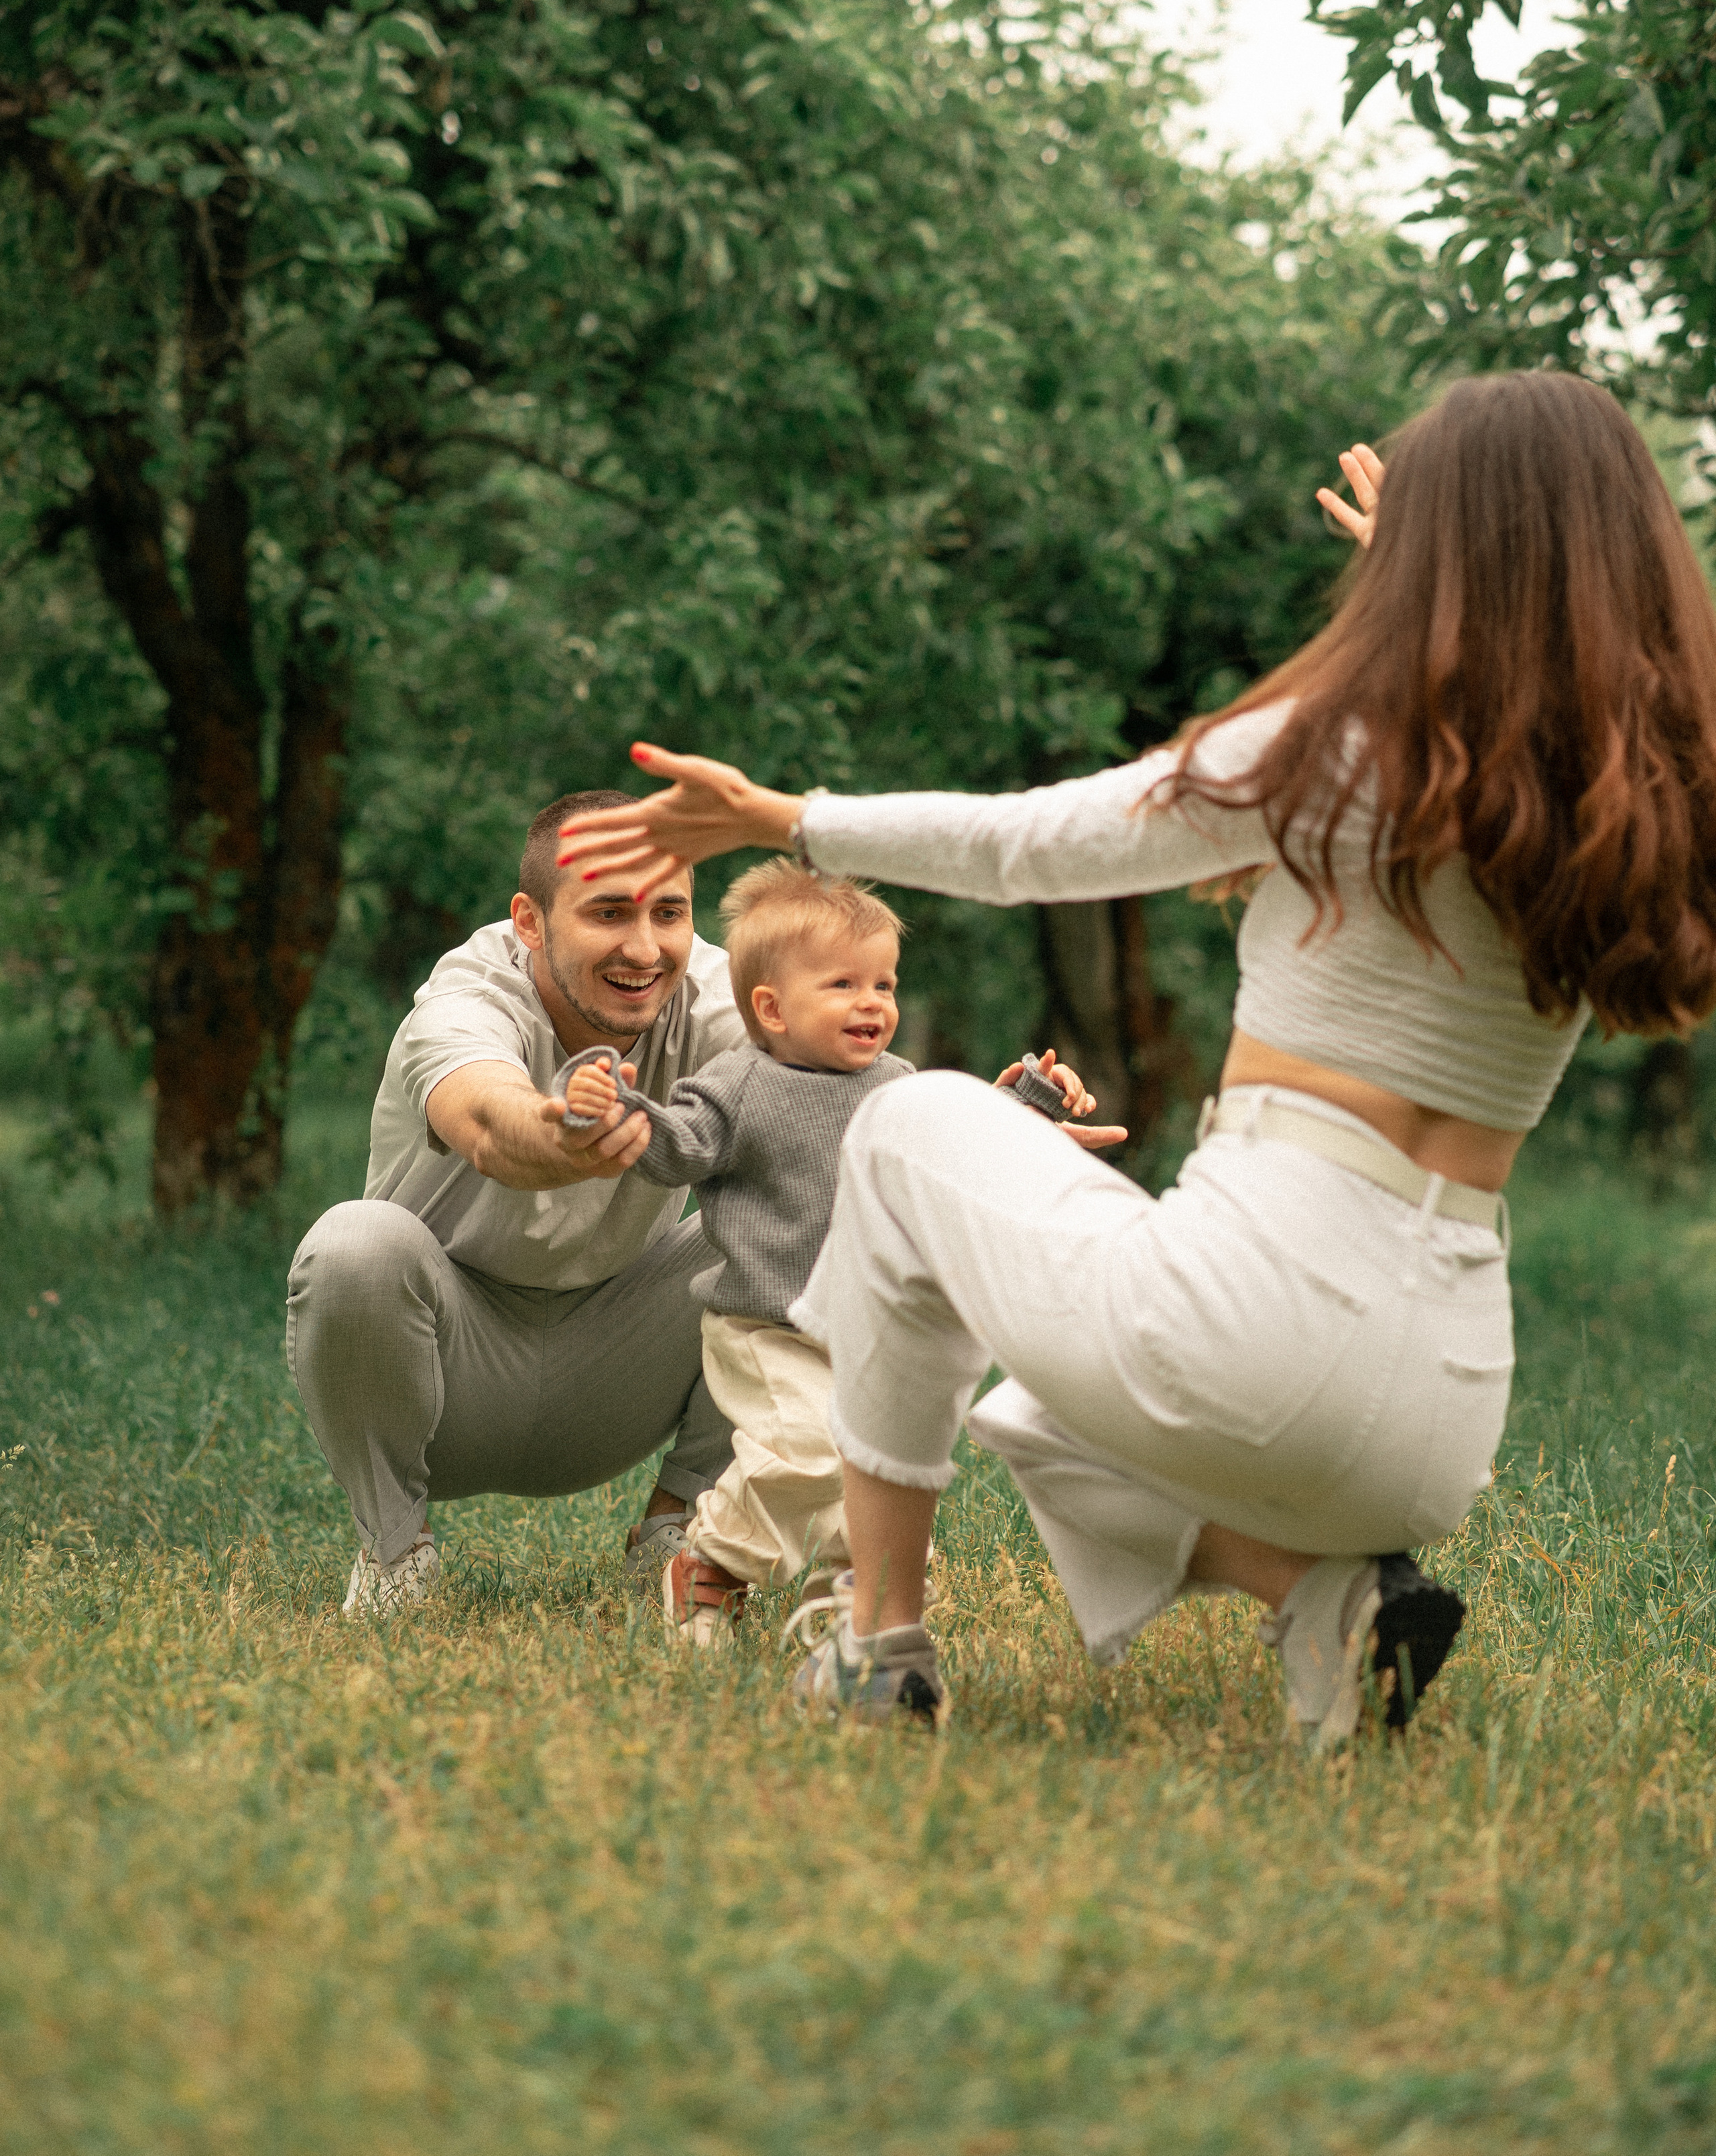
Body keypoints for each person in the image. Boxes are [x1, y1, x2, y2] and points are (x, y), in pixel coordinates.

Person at [554, 373, 1716, 1740]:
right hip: (1440, 1416)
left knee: (904, 1130)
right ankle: (1324, 1601)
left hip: (1249, 1342)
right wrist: (1437, 585)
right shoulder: (1633, 803)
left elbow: (1028, 844)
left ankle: (879, 1647)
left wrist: (787, 819)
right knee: (1039, 1421)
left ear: (1437, 559)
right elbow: (1514, 678)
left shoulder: (1339, 746)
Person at [556, 857, 1115, 1652]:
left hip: (864, 1331)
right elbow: (673, 1146)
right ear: (771, 1008)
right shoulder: (738, 1085)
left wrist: (1023, 1106)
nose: (872, 1002)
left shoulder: (897, 1081)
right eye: (844, 985)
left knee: (873, 1473)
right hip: (766, 1328)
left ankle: (846, 1611)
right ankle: (709, 1558)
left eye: (884, 984)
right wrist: (609, 1103)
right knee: (806, 1451)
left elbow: (950, 1136)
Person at [287, 791, 749, 1617]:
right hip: (445, 1374)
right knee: (354, 1244)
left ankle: (683, 1536)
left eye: (669, 913)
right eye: (608, 912)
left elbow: (838, 1100)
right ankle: (396, 1554)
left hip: (621, 1361)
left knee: (810, 1207)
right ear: (530, 922)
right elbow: (486, 1121)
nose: (644, 948)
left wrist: (978, 1119)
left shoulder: (714, 996)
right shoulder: (465, 997)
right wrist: (559, 1136)